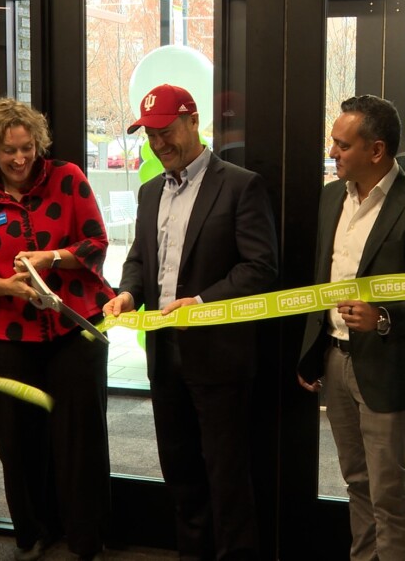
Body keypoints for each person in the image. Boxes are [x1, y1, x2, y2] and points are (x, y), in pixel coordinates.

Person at [103, 84, 278, 561]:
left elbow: (260, 268)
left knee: (227, 477)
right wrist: (126, 292)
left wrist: (200, 301)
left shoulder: (241, 185)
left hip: (219, 357)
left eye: (166, 132)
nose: (159, 144)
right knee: (180, 474)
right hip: (164, 356)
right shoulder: (149, 191)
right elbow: (140, 258)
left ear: (193, 121)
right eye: (150, 135)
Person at [297, 95, 405, 561]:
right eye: (333, 144)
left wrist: (384, 317)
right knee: (356, 483)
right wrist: (311, 350)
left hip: (387, 365)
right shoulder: (329, 197)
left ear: (377, 151)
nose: (333, 154)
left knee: (387, 489)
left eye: (342, 145)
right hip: (335, 359)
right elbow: (322, 279)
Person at [0, 97, 113, 561]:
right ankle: (32, 532)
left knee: (79, 439)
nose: (20, 159)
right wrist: (1, 286)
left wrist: (54, 258)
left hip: (74, 328)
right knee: (16, 440)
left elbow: (97, 242)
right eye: (9, 151)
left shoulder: (68, 179)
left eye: (27, 148)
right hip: (8, 336)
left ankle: (86, 538)